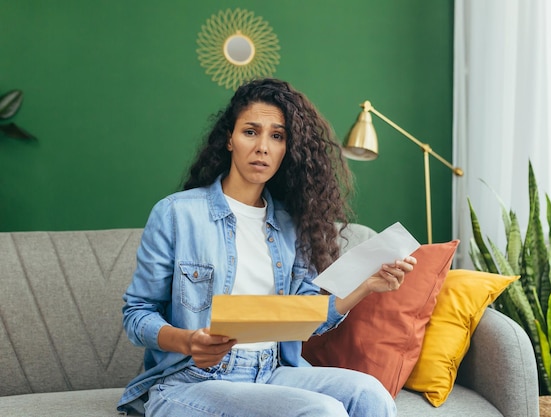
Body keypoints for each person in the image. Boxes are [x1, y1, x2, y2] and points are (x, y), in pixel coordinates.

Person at [117, 78, 417, 417]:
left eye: (277, 136)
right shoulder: (177, 214)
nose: (263, 146)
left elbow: (307, 319)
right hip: (191, 381)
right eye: (250, 132)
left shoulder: (292, 224)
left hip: (271, 371)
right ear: (229, 139)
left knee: (371, 394)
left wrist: (367, 285)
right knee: (323, 412)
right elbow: (137, 314)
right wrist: (188, 341)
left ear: (287, 149)